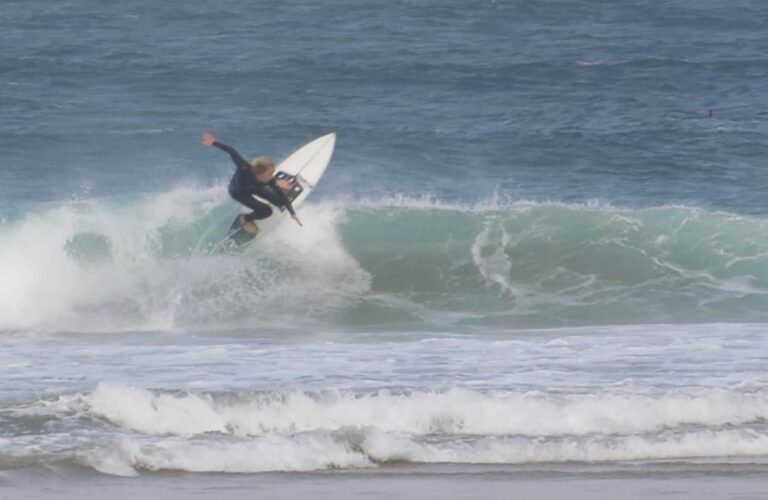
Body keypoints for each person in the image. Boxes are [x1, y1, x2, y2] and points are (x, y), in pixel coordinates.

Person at [202, 132, 302, 234]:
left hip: (253, 188)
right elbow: (232, 151)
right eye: (270, 173)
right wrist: (213, 142)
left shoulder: (268, 180)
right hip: (238, 192)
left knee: (280, 201)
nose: (272, 176)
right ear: (260, 172)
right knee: (267, 211)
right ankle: (246, 218)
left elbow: (282, 195)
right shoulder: (244, 168)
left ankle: (272, 199)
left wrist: (292, 213)